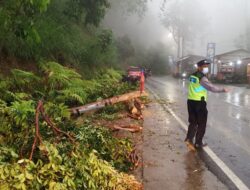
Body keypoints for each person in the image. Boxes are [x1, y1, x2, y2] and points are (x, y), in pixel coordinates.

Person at [185, 59, 229, 149]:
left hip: (191, 101)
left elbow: (196, 87)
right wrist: (223, 90)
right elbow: (211, 88)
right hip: (199, 103)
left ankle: (189, 139)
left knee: (193, 122)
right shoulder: (202, 77)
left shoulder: (193, 75)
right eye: (204, 66)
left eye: (207, 67)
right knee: (202, 123)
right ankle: (198, 142)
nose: (206, 68)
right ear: (199, 67)